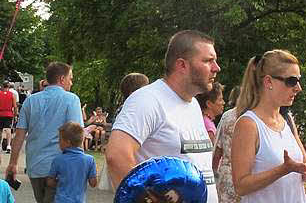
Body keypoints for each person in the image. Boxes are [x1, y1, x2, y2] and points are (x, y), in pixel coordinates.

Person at [106, 30, 222, 201]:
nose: (216, 68)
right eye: (208, 61)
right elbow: (116, 155)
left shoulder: (193, 104)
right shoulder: (147, 100)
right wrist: (147, 198)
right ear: (182, 65)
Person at [230, 49, 306, 203]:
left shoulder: (287, 120)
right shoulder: (248, 124)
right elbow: (241, 186)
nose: (298, 88)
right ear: (268, 82)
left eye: (299, 80)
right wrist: (282, 170)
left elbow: (303, 176)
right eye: (291, 81)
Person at [7, 62, 84, 203]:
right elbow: (76, 134)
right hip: (62, 167)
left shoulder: (30, 101)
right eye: (70, 78)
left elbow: (19, 136)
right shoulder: (71, 99)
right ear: (62, 79)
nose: (71, 83)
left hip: (35, 166)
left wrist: (13, 163)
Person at [48, 121, 98, 203]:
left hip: (61, 200)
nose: (58, 142)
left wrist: (59, 183)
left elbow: (50, 182)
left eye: (60, 140)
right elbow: (93, 184)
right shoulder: (90, 160)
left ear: (68, 142)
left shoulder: (58, 160)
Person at [213, 87, 243, 203]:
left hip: (227, 175)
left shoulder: (227, 116)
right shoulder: (256, 117)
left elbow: (217, 149)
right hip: (247, 175)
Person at [0, 81, 19, 152]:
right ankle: (8, 145)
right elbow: (15, 106)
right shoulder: (12, 95)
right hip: (9, 113)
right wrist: (15, 114)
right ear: (8, 87)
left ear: (2, 86)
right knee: (8, 129)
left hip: (0, 113)